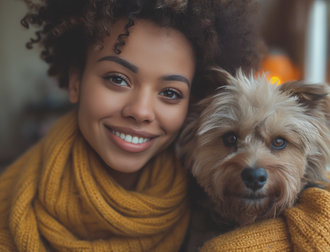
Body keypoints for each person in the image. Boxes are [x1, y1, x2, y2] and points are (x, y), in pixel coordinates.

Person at [0, 0, 261, 251]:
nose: (140, 111)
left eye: (170, 93)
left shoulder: (213, 195)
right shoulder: (7, 207)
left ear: (191, 104)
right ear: (75, 82)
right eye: (117, 79)